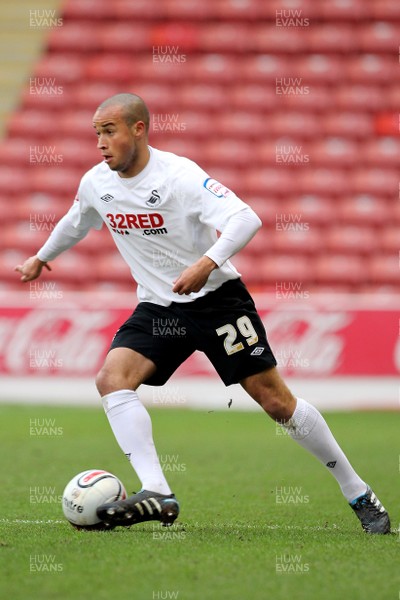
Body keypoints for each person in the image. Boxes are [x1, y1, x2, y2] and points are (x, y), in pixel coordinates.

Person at [16, 93, 390, 534]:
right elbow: (76, 220)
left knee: (276, 402)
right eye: (97, 132)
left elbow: (245, 217)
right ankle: (158, 491)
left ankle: (358, 492)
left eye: (110, 130)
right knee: (112, 379)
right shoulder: (96, 183)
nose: (101, 142)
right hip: (159, 306)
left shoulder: (180, 176)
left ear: (139, 129)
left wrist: (207, 262)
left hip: (216, 300)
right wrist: (41, 257)